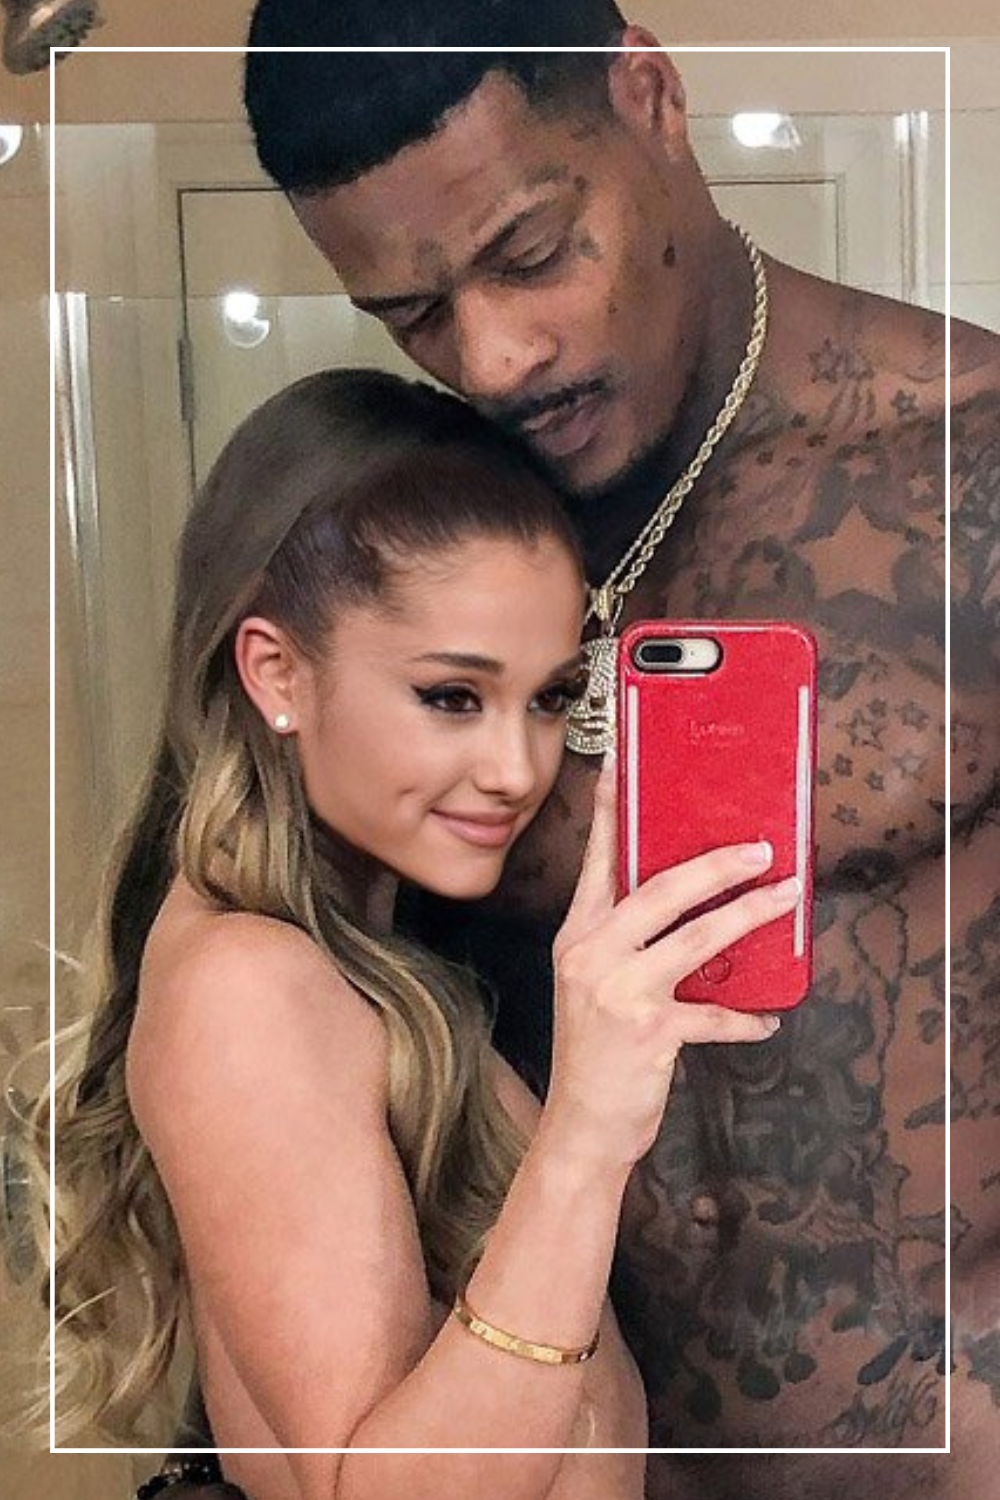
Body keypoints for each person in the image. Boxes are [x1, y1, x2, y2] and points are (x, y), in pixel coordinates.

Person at [240, 3, 1000, 1497]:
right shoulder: (411, 547)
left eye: (530, 254)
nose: (493, 356)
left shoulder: (963, 470)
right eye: (413, 314)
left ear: (649, 95)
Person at [47, 368, 798, 1500]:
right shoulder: (247, 984)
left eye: (549, 698)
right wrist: (586, 1137)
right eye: (452, 696)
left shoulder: (362, 954)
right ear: (276, 672)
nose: (516, 770)